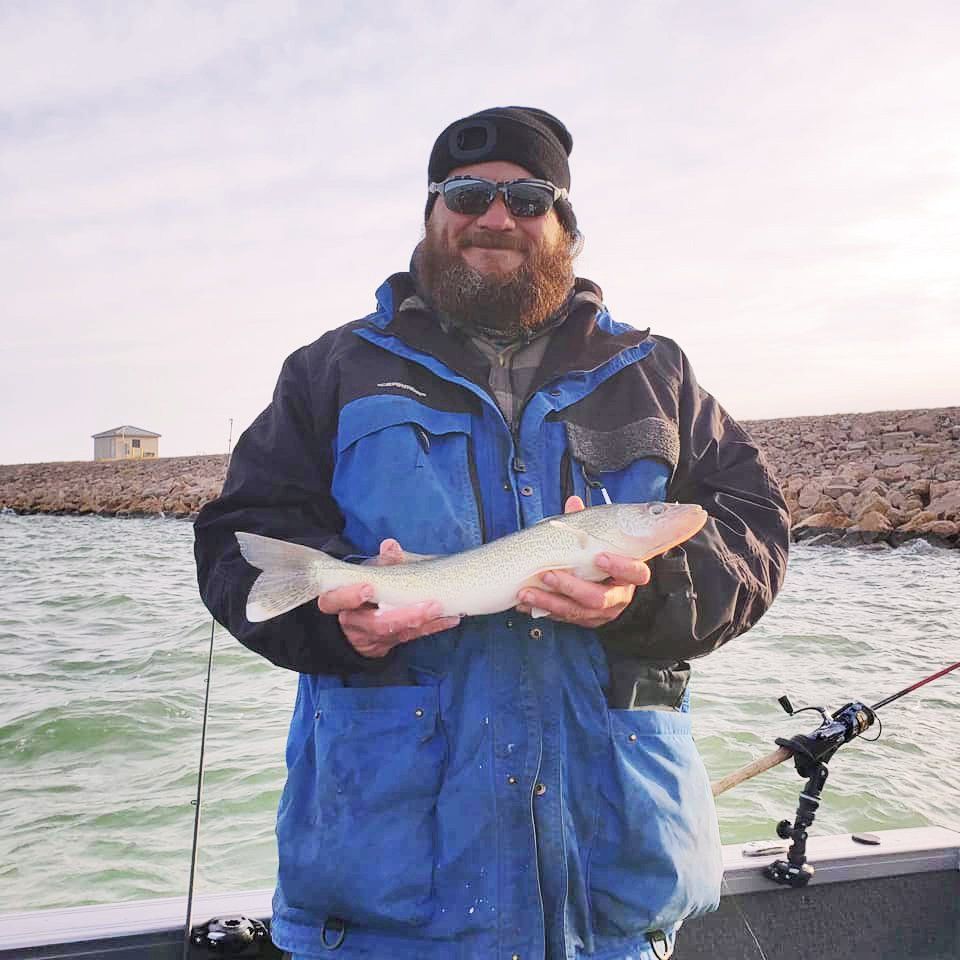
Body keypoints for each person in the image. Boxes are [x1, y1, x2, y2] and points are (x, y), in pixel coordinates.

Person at [194, 106, 790, 960]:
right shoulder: (331, 369)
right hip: (383, 908)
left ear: (565, 225)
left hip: (612, 899)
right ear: (433, 214)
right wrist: (334, 619)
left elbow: (755, 532)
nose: (496, 217)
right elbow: (234, 540)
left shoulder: (655, 372)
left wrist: (643, 594)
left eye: (529, 197)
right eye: (467, 193)